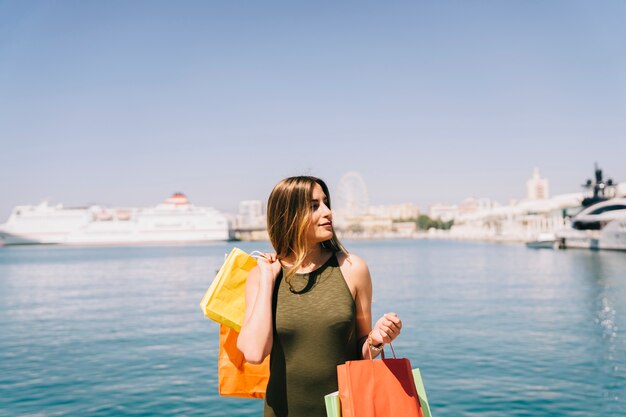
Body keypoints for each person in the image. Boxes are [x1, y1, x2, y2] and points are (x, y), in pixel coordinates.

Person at [237, 176, 402, 417]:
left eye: (326, 203)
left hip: (346, 411)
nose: (328, 212)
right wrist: (267, 279)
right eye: (314, 206)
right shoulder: (261, 277)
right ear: (288, 214)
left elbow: (361, 354)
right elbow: (253, 353)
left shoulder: (353, 269)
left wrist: (376, 339)